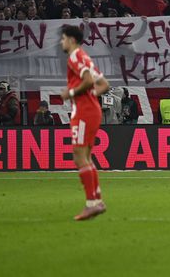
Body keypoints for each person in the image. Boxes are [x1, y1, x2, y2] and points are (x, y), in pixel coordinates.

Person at [59, 25, 109, 221]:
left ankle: (91, 204)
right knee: (86, 156)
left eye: (63, 39)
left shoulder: (74, 57)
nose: (61, 42)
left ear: (71, 40)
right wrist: (89, 96)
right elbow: (104, 84)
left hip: (84, 112)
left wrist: (69, 94)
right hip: (91, 110)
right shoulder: (85, 57)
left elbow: (88, 81)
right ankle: (97, 202)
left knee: (79, 156)